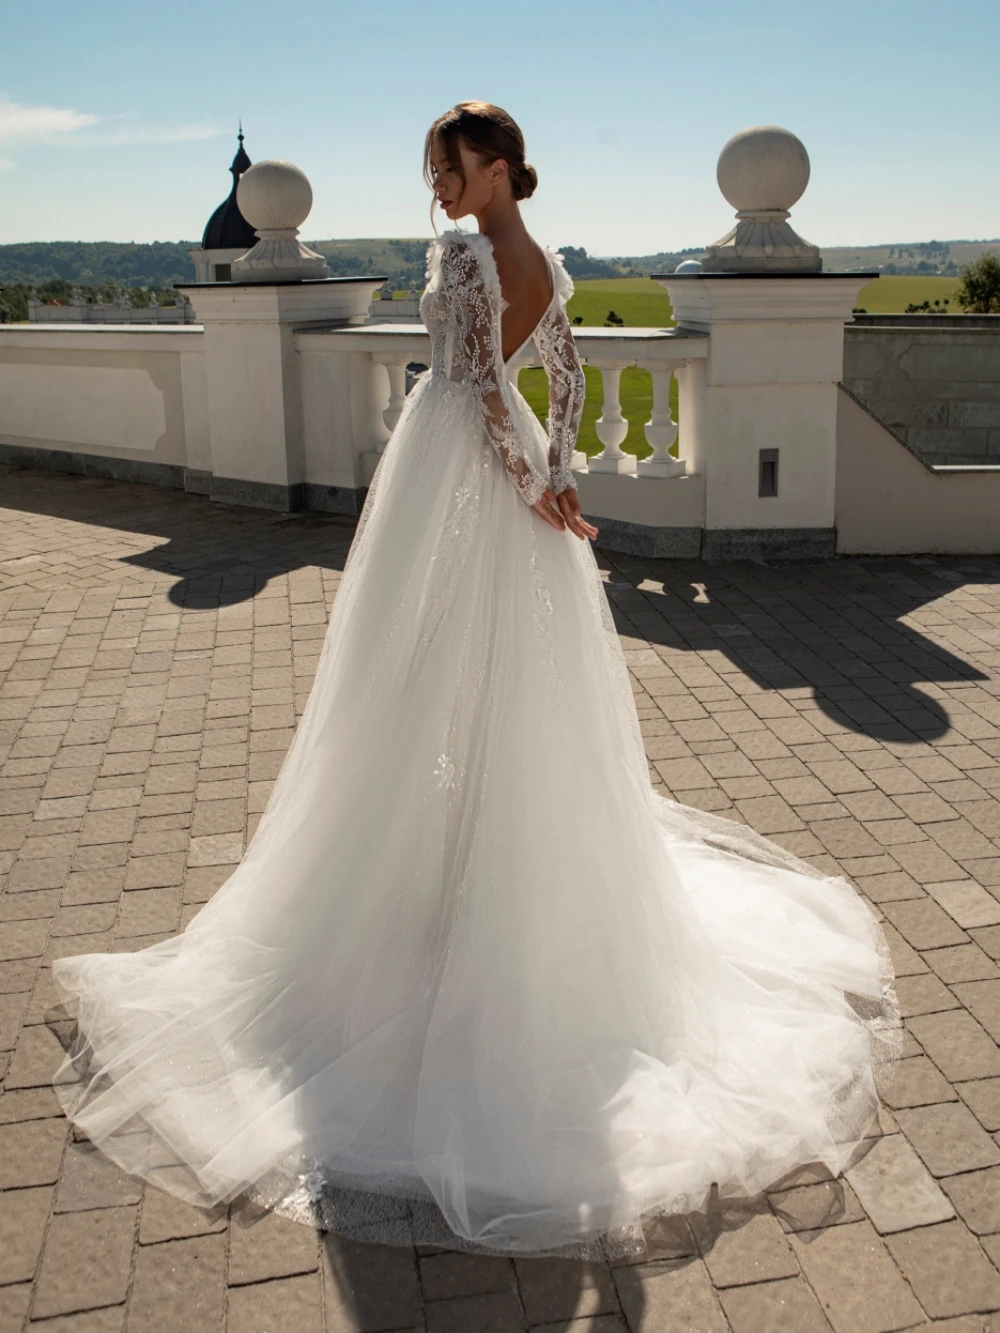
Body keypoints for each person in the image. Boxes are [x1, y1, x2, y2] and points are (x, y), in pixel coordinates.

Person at [49, 101, 900, 1261]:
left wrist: (524, 469)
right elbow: (567, 368)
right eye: (434, 172)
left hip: (454, 478)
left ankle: (425, 882)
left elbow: (483, 388)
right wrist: (559, 470)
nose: (436, 188)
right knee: (509, 687)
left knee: (409, 676)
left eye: (448, 168)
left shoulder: (462, 255)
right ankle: (475, 863)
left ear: (494, 167)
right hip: (519, 494)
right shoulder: (543, 252)